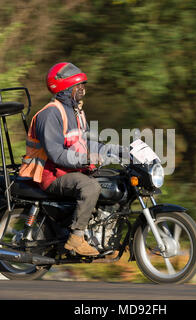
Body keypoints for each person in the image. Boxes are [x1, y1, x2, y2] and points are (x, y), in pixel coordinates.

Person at [19, 62, 126, 256]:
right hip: (51, 175)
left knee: (113, 179)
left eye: (83, 85)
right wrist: (86, 160)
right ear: (65, 89)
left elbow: (86, 144)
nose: (83, 90)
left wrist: (119, 150)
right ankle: (76, 238)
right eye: (78, 86)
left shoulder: (77, 113)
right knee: (90, 187)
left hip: (70, 171)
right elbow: (57, 154)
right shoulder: (50, 114)